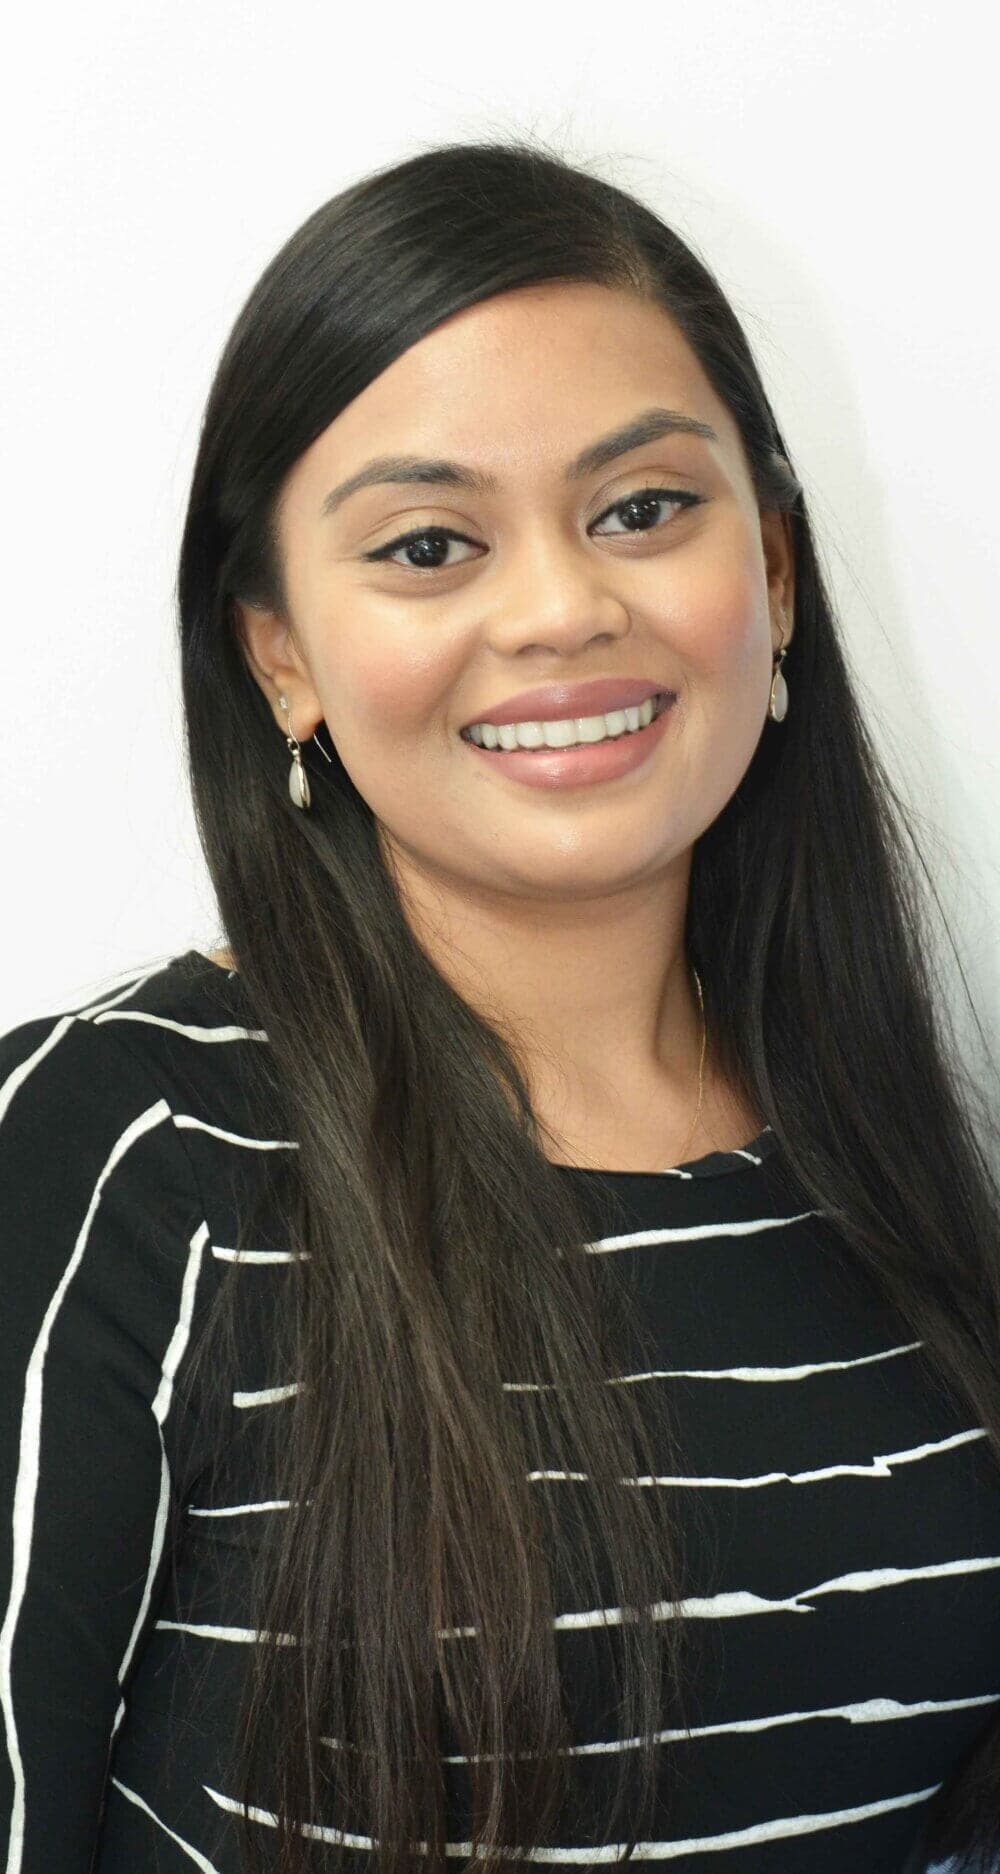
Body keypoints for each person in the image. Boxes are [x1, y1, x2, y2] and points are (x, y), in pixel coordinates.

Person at [2, 137, 999, 1874]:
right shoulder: (119, 1147)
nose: (560, 608)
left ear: (773, 570)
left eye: (641, 509)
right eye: (430, 542)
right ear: (281, 656)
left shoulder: (891, 1151)